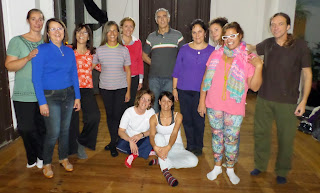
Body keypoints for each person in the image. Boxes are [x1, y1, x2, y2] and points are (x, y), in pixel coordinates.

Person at [248, 12, 312, 184]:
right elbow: (252, 48)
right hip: (264, 98)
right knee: (261, 135)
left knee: (286, 138)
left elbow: (307, 74)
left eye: (280, 24)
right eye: (273, 24)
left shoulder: (300, 46)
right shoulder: (268, 44)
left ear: (288, 26)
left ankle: (282, 171)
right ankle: (260, 166)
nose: (275, 27)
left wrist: (304, 101)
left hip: (288, 102)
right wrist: (235, 43)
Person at [198, 22, 263, 185]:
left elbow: (255, 87)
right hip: (213, 104)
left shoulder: (248, 57)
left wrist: (259, 66)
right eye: (226, 36)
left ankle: (230, 168)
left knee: (231, 139)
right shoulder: (216, 54)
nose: (229, 39)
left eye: (232, 35)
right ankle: (217, 167)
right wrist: (201, 101)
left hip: (234, 107)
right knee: (216, 137)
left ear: (240, 36)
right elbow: (206, 78)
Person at [32, 18, 81, 178]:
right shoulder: (42, 50)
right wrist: (42, 102)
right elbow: (36, 78)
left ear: (64, 31)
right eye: (53, 29)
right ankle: (47, 163)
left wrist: (77, 97)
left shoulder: (68, 51)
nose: (57, 32)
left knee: (65, 130)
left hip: (68, 94)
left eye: (59, 28)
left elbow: (74, 74)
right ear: (47, 33)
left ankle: (63, 158)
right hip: (50, 96)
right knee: (54, 131)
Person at [5, 9, 46, 169]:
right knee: (25, 128)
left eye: (40, 19)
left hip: (44, 94)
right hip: (23, 94)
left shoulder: (47, 41)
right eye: (34, 19)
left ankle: (42, 156)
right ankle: (31, 156)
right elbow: (9, 65)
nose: (38, 22)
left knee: (43, 128)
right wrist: (27, 58)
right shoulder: (17, 41)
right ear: (28, 20)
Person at [172, 19, 215, 156]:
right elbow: (177, 70)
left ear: (205, 33)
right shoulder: (184, 49)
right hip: (184, 90)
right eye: (194, 32)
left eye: (200, 32)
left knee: (199, 120)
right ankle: (190, 145)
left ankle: (198, 146)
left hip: (201, 93)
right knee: (187, 120)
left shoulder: (212, 51)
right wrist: (174, 89)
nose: (197, 35)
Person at [92, 21, 131, 157]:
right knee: (110, 116)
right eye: (109, 31)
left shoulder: (124, 50)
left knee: (118, 116)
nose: (112, 33)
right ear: (105, 33)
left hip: (121, 87)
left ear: (118, 33)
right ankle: (113, 141)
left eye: (115, 30)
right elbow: (90, 66)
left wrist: (128, 91)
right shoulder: (100, 50)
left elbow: (128, 71)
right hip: (106, 88)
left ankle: (115, 143)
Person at [149, 91, 198, 187]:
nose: (166, 104)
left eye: (169, 101)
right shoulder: (153, 118)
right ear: (159, 102)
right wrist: (154, 147)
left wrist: (168, 147)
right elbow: (151, 135)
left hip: (175, 147)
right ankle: (166, 172)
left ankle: (162, 161)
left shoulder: (178, 116)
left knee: (194, 161)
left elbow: (174, 134)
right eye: (163, 101)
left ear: (172, 103)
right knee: (158, 136)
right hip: (161, 146)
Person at [142, 8, 186, 112]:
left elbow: (184, 54)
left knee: (168, 106)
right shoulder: (151, 37)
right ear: (156, 20)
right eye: (159, 17)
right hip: (154, 79)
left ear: (169, 19)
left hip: (171, 79)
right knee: (154, 106)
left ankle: (168, 128)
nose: (162, 19)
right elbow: (144, 55)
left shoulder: (177, 35)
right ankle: (155, 128)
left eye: (164, 16)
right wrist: (154, 64)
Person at [68, 24, 101, 159]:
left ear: (89, 37)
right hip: (69, 89)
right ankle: (72, 148)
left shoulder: (93, 53)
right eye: (79, 32)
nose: (81, 35)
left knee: (94, 117)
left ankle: (81, 142)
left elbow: (104, 67)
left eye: (85, 33)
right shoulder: (68, 50)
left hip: (86, 89)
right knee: (72, 121)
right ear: (75, 35)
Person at [117, 89, 155, 168]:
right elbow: (121, 131)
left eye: (148, 100)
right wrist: (130, 140)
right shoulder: (129, 112)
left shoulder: (151, 112)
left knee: (155, 137)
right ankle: (145, 151)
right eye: (143, 99)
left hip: (143, 138)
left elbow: (154, 130)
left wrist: (141, 135)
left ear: (150, 104)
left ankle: (134, 154)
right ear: (138, 99)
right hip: (130, 139)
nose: (144, 102)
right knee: (120, 146)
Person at [120, 17, 144, 107]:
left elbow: (140, 61)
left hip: (134, 78)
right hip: (120, 78)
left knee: (131, 103)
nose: (128, 29)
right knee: (121, 104)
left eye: (131, 27)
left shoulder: (137, 42)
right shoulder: (117, 42)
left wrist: (140, 80)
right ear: (121, 27)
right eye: (126, 26)